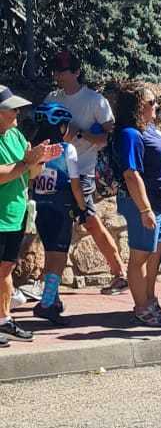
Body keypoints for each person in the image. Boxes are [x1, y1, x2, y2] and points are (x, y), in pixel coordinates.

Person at [42, 48, 128, 294]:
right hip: (55, 171)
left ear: (77, 72)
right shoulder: (52, 98)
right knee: (55, 226)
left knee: (89, 221)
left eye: (63, 70)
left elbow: (108, 135)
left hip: (83, 172)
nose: (58, 75)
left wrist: (78, 133)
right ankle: (47, 285)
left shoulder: (94, 100)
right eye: (56, 70)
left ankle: (119, 273)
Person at [0, 88, 63, 346]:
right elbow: (2, 174)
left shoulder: (15, 135)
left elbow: (31, 174)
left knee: (6, 269)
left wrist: (39, 160)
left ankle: (3, 320)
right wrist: (27, 163)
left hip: (15, 215)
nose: (17, 113)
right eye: (12, 109)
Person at [113, 83, 161, 327]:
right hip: (142, 205)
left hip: (159, 205)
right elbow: (131, 174)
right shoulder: (130, 134)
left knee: (153, 255)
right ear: (138, 106)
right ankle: (141, 307)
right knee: (140, 257)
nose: (157, 106)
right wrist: (145, 209)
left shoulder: (148, 128)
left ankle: (149, 300)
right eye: (151, 103)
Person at [27, 103, 86, 325]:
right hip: (61, 209)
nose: (66, 128)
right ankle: (47, 304)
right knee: (58, 260)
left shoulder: (34, 148)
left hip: (42, 208)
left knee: (50, 254)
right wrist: (83, 208)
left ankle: (54, 298)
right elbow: (75, 185)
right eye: (64, 124)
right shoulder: (66, 149)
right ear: (57, 125)